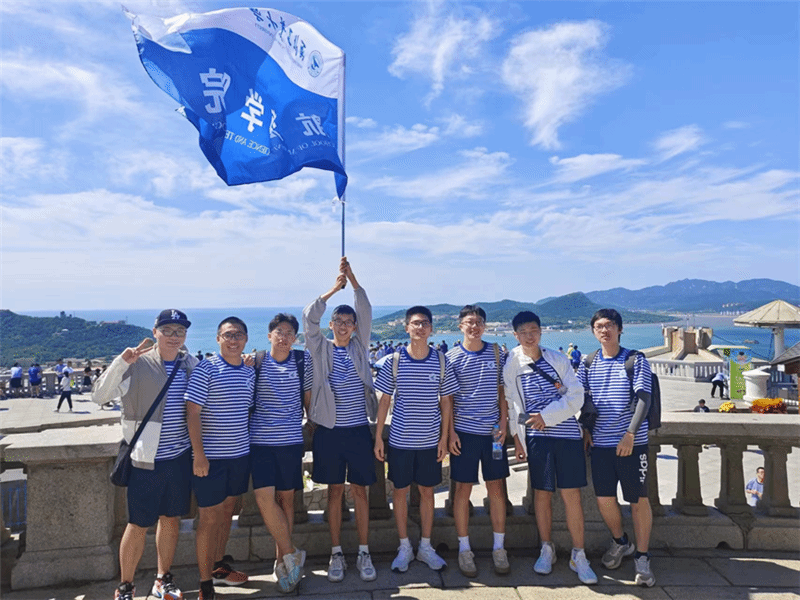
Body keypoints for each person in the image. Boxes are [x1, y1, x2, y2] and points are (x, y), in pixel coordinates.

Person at [92, 309, 199, 600]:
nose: (174, 336)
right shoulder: (136, 364)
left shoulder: (190, 364)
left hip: (179, 456)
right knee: (138, 524)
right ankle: (125, 586)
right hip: (144, 459)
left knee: (171, 519)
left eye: (180, 331)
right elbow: (99, 395)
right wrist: (120, 362)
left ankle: (163, 579)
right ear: (155, 332)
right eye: (168, 330)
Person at [504, 311, 597, 585]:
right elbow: (510, 403)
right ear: (516, 335)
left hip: (567, 435)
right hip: (535, 437)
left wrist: (547, 416)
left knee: (571, 495)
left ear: (541, 331)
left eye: (534, 330)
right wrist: (517, 438)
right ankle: (547, 548)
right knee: (542, 494)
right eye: (523, 332)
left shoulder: (558, 359)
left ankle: (579, 554)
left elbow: (576, 395)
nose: (529, 336)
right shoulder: (512, 363)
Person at [303, 258, 379, 583]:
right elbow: (309, 317)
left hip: (358, 430)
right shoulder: (320, 348)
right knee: (334, 493)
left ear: (355, 327)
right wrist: (334, 289)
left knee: (360, 492)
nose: (345, 325)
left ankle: (363, 551)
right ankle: (336, 552)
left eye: (349, 322)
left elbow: (366, 308)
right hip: (329, 432)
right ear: (331, 325)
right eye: (339, 321)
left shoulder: (360, 347)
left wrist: (354, 279)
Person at [185, 317, 268, 600]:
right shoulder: (206, 369)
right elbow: (192, 413)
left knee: (227, 513)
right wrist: (199, 455)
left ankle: (218, 565)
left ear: (246, 339)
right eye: (228, 335)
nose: (233, 340)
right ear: (218, 338)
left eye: (239, 335)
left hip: (239, 455)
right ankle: (205, 583)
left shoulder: (248, 372)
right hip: (211, 459)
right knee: (208, 519)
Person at [374, 306, 458, 574]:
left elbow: (446, 403)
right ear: (406, 327)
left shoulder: (441, 361)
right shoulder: (393, 361)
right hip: (399, 440)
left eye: (424, 323)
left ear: (431, 328)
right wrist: (378, 438)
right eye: (415, 323)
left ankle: (425, 546)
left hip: (430, 441)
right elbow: (384, 401)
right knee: (399, 492)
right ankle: (404, 547)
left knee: (427, 492)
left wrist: (444, 438)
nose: (420, 328)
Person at [577, 308, 656, 588]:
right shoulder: (588, 363)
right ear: (593, 331)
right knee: (604, 499)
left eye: (610, 325)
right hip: (600, 443)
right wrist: (586, 429)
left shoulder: (635, 360)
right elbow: (581, 399)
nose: (604, 330)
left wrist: (630, 434)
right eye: (599, 326)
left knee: (638, 500)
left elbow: (644, 398)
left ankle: (643, 558)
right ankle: (621, 541)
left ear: (620, 329)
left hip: (632, 443)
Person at [446, 305, 510, 577]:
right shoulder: (451, 358)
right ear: (460, 325)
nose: (474, 327)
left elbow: (502, 392)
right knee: (462, 489)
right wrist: (450, 433)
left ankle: (499, 548)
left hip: (493, 434)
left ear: (485, 326)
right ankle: (464, 549)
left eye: (479, 322)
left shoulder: (497, 353)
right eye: (469, 322)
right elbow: (447, 400)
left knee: (496, 489)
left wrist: (504, 423)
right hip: (464, 432)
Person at [250, 313, 310, 591]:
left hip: (290, 441)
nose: (284, 337)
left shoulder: (301, 361)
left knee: (286, 500)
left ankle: (282, 562)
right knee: (264, 498)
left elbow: (308, 399)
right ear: (269, 335)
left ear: (295, 338)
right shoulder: (257, 361)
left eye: (289, 333)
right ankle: (291, 553)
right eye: (279, 332)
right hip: (260, 442)